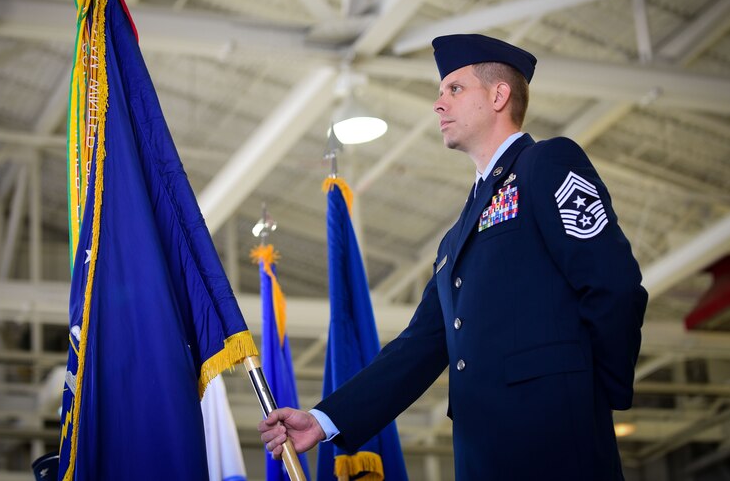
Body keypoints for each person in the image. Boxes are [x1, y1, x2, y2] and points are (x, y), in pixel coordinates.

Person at [258, 34, 648, 480]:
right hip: (481, 457)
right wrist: (326, 419)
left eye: (455, 89)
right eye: (440, 92)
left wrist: (592, 394)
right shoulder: (454, 240)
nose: (438, 104)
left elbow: (612, 283)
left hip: (555, 446)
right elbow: (419, 346)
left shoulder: (547, 163)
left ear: (499, 95)